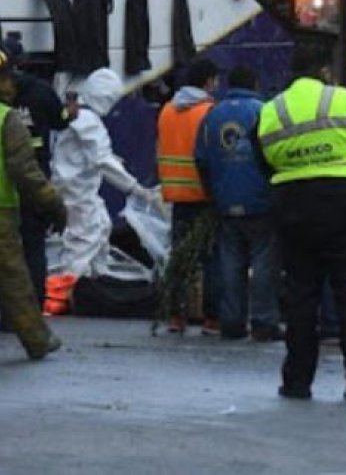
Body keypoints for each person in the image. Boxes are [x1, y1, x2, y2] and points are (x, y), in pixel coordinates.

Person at [258, 47, 346, 402]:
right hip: (343, 206)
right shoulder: (344, 101)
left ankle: (296, 381)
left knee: (302, 298)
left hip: (292, 208)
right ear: (323, 71)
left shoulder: (272, 110)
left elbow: (264, 162)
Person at [195, 66, 282, 342]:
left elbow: (201, 159)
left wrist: (213, 194)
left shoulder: (212, 115)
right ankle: (263, 322)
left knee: (230, 264)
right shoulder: (264, 111)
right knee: (264, 265)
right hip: (260, 201)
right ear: (255, 83)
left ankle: (231, 323)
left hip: (225, 201)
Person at [52, 68, 157, 279]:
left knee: (101, 227)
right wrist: (135, 188)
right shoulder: (88, 120)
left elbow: (86, 155)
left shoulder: (74, 114)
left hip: (74, 189)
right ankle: (70, 288)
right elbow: (103, 161)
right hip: (78, 192)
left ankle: (95, 282)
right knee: (85, 239)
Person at [0, 53, 72, 307]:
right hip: (32, 181)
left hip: (17, 188)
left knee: (25, 247)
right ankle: (32, 307)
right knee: (32, 245)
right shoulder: (41, 92)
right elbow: (61, 122)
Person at [157, 58, 220, 335]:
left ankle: (175, 316)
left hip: (176, 193)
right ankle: (211, 318)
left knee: (181, 258)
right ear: (208, 81)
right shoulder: (209, 112)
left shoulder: (167, 111)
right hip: (204, 194)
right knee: (211, 259)